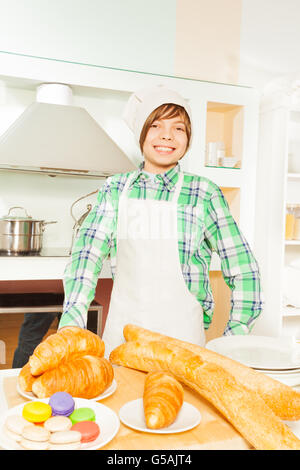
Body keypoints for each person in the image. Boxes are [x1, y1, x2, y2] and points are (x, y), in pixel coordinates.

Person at [59, 85, 263, 357]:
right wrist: (71, 326)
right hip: (122, 339)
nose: (167, 135)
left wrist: (234, 338)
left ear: (188, 139)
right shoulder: (115, 189)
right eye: (155, 125)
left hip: (184, 343)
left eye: (179, 128)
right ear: (141, 133)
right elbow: (87, 257)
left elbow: (244, 268)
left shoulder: (204, 193)